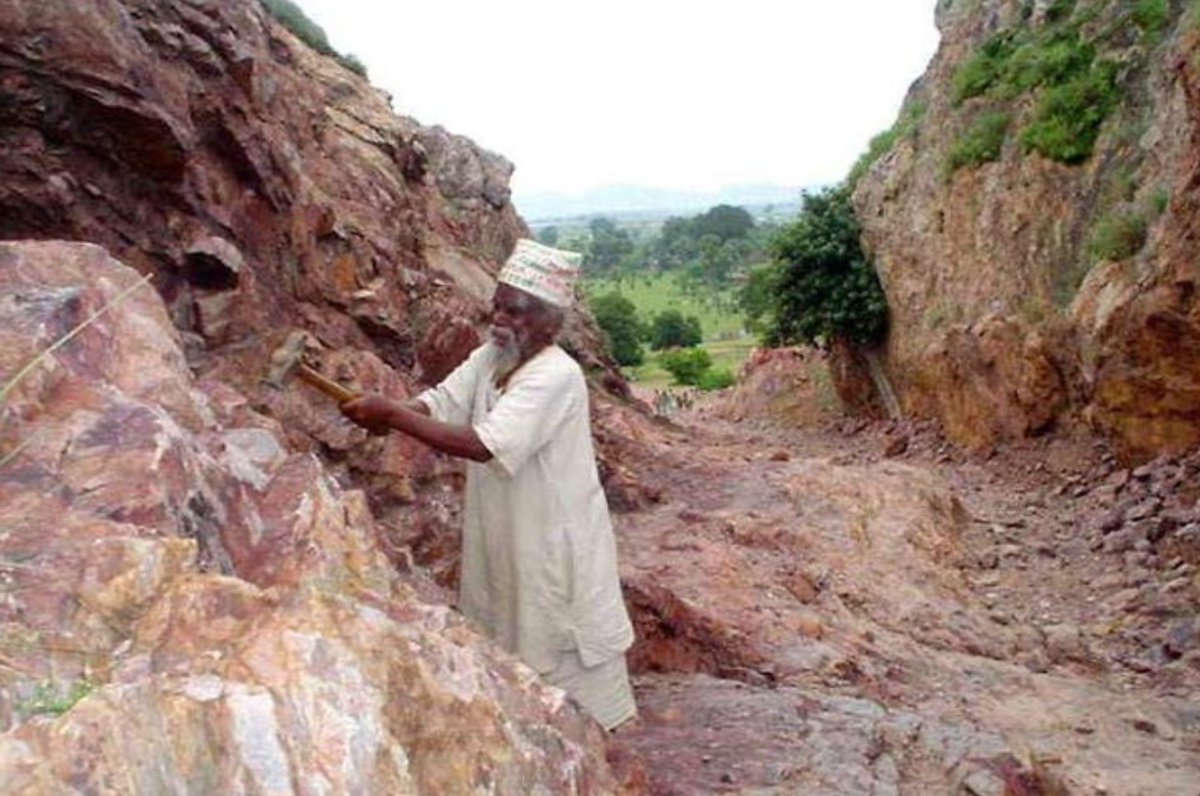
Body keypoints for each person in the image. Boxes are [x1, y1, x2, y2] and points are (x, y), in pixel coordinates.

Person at [341, 239, 637, 730]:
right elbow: (439, 402)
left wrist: (390, 414)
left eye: (515, 310)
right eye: (496, 305)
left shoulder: (556, 376)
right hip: (504, 539)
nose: (499, 318)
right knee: (511, 646)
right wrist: (391, 414)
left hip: (551, 546)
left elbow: (483, 444)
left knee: (569, 666)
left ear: (549, 320)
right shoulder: (491, 357)